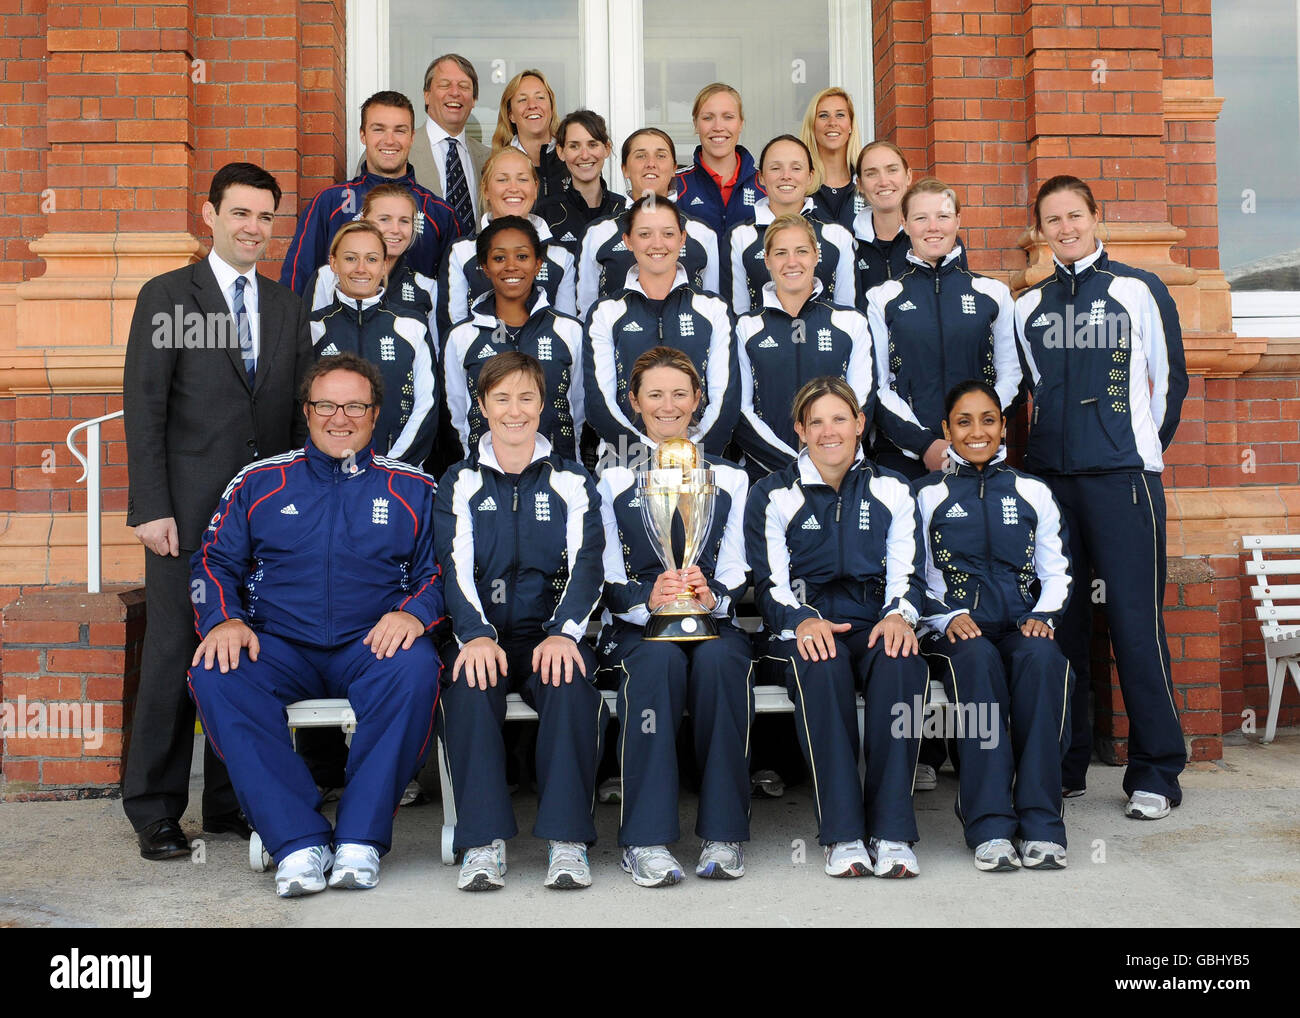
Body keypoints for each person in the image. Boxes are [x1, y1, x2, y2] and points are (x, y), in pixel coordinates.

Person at [188, 353, 444, 897]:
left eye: (355, 405)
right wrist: (224, 621)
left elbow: (442, 571)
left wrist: (413, 614)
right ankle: (297, 841)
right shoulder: (260, 481)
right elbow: (212, 562)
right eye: (326, 404)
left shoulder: (413, 488)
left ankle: (359, 841)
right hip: (276, 645)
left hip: (370, 644)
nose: (340, 417)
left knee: (417, 667)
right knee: (216, 673)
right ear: (306, 411)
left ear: (376, 415)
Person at [122, 161, 312, 862]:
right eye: (241, 214)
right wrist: (149, 506)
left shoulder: (286, 305)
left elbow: (293, 418)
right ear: (210, 215)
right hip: (184, 516)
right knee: (175, 655)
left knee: (247, 656)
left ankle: (232, 803)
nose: (253, 229)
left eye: (265, 217)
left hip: (260, 520)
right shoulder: (171, 297)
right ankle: (155, 810)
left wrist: (295, 511)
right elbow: (144, 408)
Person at [1015, 174, 1188, 819]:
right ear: (1041, 232)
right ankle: (1067, 762)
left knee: (1135, 626)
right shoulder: (1026, 308)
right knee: (1061, 626)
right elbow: (1021, 393)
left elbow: (1171, 383)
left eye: (1073, 216)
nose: (1064, 229)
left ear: (1096, 217)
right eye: (1052, 221)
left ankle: (1155, 770)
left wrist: (1139, 449)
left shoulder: (1138, 290)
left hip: (1123, 481)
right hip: (1053, 485)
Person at [744, 377, 929, 878]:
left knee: (901, 663)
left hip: (874, 620)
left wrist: (898, 615)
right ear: (800, 430)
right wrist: (803, 620)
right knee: (821, 667)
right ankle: (843, 833)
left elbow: (908, 573)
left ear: (859, 424)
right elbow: (768, 584)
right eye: (817, 422)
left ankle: (892, 832)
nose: (830, 432)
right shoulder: (772, 493)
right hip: (803, 626)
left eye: (840, 419)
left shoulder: (893, 487)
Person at [436, 352, 607, 891]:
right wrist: (476, 635)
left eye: (526, 398)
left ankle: (567, 841)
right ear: (482, 406)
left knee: (570, 683)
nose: (515, 411)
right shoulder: (460, 480)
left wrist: (564, 632)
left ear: (543, 405)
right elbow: (452, 564)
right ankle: (482, 843)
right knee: (467, 686)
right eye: (502, 398)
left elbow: (588, 564)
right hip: (482, 636)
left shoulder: (572, 480)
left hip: (549, 633)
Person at [595, 346, 752, 886]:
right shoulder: (613, 478)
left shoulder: (730, 478)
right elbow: (607, 576)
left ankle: (723, 833)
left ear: (698, 400)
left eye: (679, 394)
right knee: (656, 670)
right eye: (655, 394)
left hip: (710, 619)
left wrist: (713, 596)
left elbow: (735, 565)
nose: (668, 406)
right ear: (634, 402)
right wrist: (649, 595)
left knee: (721, 665)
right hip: (640, 626)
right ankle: (646, 840)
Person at [915, 380, 1074, 871]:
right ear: (947, 430)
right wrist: (948, 615)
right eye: (964, 422)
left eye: (988, 419)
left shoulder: (1033, 491)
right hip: (955, 630)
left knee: (1043, 662)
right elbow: (909, 576)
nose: (977, 431)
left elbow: (1057, 571)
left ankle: (1042, 824)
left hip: (1022, 624)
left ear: (1004, 426)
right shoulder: (924, 495)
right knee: (978, 667)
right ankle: (989, 826)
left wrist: (1043, 616)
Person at [866, 178, 1020, 480]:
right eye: (921, 218)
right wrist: (925, 444)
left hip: (979, 452)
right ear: (904, 223)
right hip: (904, 460)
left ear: (958, 221)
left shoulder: (993, 293)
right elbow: (877, 385)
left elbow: (1012, 375)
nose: (932, 227)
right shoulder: (881, 297)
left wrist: (974, 431)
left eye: (943, 216)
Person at [584, 196, 737, 456]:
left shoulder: (714, 309)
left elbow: (725, 399)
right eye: (645, 234)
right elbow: (599, 404)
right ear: (628, 241)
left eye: (668, 233)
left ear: (682, 239)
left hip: (698, 458)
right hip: (623, 460)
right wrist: (645, 456)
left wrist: (688, 455)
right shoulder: (605, 311)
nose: (657, 244)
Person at [280, 90, 461, 295]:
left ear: (412, 137)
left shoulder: (440, 213)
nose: (389, 140)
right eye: (379, 129)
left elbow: (454, 292)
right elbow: (296, 280)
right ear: (363, 135)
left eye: (400, 130)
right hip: (339, 324)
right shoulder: (329, 203)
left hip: (415, 323)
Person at [734, 214, 874, 477]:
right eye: (780, 253)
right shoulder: (745, 327)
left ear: (815, 256)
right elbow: (741, 410)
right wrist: (794, 465)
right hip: (767, 474)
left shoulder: (851, 322)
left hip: (838, 473)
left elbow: (861, 402)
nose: (791, 262)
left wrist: (825, 458)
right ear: (767, 260)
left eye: (801, 251)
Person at [443, 217, 585, 459]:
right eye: (499, 258)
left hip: (558, 473)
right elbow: (458, 414)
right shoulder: (461, 336)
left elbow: (579, 409)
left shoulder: (569, 330)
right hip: (485, 477)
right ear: (485, 267)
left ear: (538, 263)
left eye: (522, 256)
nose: (511, 266)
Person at [310, 221, 437, 468]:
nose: (360, 268)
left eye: (371, 259)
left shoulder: (412, 326)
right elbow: (300, 407)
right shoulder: (312, 328)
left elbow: (427, 405)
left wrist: (393, 466)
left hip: (397, 472)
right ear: (334, 263)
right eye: (350, 258)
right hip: (325, 473)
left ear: (383, 266)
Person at [575, 128, 720, 318]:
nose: (651, 164)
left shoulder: (702, 233)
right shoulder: (598, 233)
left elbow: (712, 309)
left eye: (661, 156)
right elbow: (586, 313)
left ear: (674, 168)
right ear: (625, 169)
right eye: (640, 156)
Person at [437, 146, 576, 338]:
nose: (513, 188)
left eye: (523, 179)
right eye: (502, 179)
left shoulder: (560, 256)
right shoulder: (462, 252)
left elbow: (567, 334)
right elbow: (453, 333)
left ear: (535, 189)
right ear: (485, 190)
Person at [725, 134, 855, 315]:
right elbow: (736, 316)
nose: (786, 176)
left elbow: (848, 313)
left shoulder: (837, 236)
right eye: (776, 168)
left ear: (810, 176)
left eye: (796, 168)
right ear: (761, 177)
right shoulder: (739, 237)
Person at [306, 183, 437, 345]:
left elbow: (434, 355)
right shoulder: (328, 276)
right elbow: (309, 342)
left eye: (404, 221)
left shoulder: (427, 288)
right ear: (363, 221)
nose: (395, 229)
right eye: (384, 219)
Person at [407, 54, 491, 233]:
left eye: (464, 86)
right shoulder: (399, 150)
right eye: (445, 85)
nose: (455, 92)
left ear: (474, 99)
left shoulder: (489, 160)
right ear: (427, 95)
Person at [673, 83, 764, 236]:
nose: (718, 127)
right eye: (708, 118)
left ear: (741, 123)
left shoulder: (766, 184)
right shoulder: (675, 185)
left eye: (728, 117)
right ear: (696, 124)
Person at [535, 109, 624, 255]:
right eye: (574, 146)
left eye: (592, 144)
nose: (584, 155)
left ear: (606, 149)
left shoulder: (624, 210)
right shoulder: (545, 214)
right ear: (561, 152)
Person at [490, 68, 568, 201]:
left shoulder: (572, 157)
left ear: (551, 108)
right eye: (522, 100)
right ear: (511, 115)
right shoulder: (497, 165)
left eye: (540, 97)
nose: (532, 105)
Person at [851, 140, 914, 295]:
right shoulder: (846, 244)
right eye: (871, 174)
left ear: (908, 176)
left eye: (892, 170)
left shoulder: (934, 238)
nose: (884, 182)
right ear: (860, 184)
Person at [800, 87, 865, 231]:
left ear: (850, 125)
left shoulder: (867, 183)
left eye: (840, 115)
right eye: (823, 116)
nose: (832, 122)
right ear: (812, 125)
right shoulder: (799, 184)